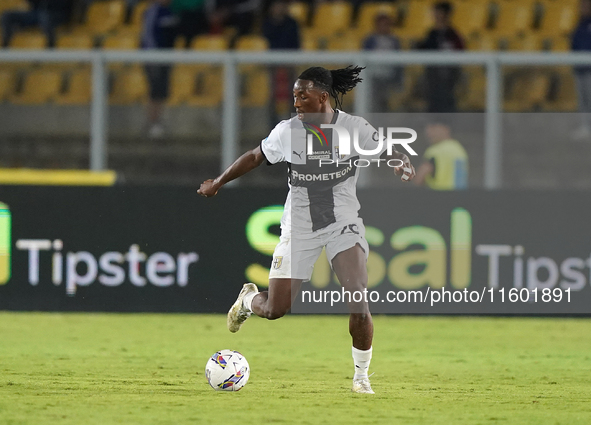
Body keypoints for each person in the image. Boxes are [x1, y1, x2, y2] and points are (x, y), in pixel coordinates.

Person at [197, 66, 416, 394]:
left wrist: (400, 160)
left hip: (343, 224)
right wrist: (218, 182)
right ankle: (248, 302)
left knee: (358, 298)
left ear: (322, 97)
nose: (295, 100)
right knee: (275, 309)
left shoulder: (353, 128)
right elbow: (256, 156)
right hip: (299, 227)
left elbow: (383, 148)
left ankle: (361, 377)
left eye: (302, 95)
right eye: (294, 94)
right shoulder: (287, 131)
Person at [141, 0, 179, 139]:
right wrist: (153, 55)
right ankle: (152, 122)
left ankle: (158, 122)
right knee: (155, 91)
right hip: (154, 58)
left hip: (166, 57)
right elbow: (148, 35)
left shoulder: (171, 11)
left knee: (162, 91)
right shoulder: (153, 11)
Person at [418, 2, 464, 113]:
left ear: (447, 14)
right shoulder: (431, 34)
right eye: (435, 12)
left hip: (449, 78)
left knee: (447, 107)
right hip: (433, 78)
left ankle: (448, 128)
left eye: (440, 12)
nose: (437, 15)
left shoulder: (453, 35)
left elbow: (460, 52)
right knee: (433, 107)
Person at [262, 0, 301, 124]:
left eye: (281, 5)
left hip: (290, 62)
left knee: (293, 93)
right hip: (272, 62)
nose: (279, 8)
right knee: (272, 93)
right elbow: (266, 44)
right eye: (276, 5)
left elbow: (296, 45)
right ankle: (272, 124)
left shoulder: (292, 23)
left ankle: (294, 122)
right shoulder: (267, 24)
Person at [362, 13, 403, 112]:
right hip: (374, 77)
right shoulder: (370, 40)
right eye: (381, 24)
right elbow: (364, 58)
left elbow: (399, 62)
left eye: (386, 24)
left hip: (389, 76)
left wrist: (398, 80)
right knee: (375, 100)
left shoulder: (394, 41)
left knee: (387, 101)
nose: (384, 27)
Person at [414, 120, 468, 190]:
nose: (428, 132)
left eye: (433, 127)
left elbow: (420, 177)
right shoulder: (459, 149)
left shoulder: (435, 151)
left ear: (445, 128)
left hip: (439, 197)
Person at [1, 0, 72, 48]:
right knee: (7, 16)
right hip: (36, 13)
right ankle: (5, 45)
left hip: (57, 14)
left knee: (44, 16)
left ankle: (51, 47)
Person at [571, 0, 591, 140]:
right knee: (583, 100)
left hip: (589, 69)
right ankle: (585, 127)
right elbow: (575, 43)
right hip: (580, 69)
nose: (582, 8)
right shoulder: (579, 25)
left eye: (585, 5)